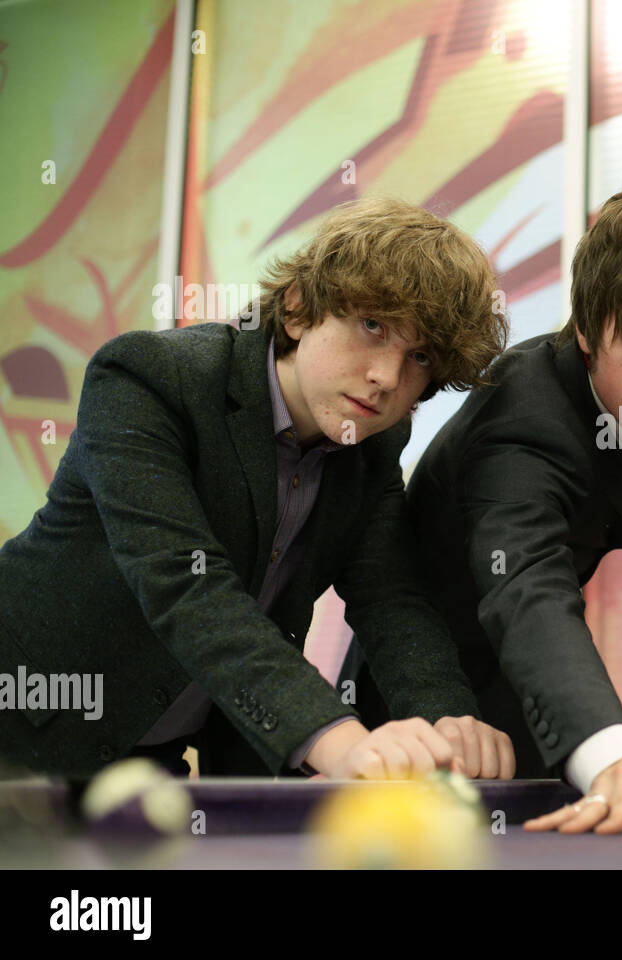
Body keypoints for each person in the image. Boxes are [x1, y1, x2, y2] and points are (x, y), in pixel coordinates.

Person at [0, 197, 516, 780]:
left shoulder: (373, 440)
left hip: (147, 766)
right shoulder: (151, 377)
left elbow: (391, 600)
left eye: (419, 356)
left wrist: (447, 719)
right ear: (297, 309)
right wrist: (335, 738)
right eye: (372, 326)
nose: (387, 378)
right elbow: (187, 588)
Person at [380, 185, 622, 833]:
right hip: (427, 712)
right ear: (588, 330)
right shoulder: (523, 425)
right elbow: (527, 581)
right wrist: (614, 754)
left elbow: (596, 487)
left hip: (522, 702)